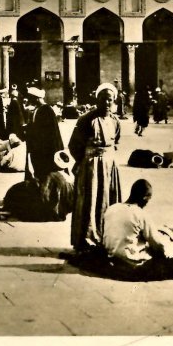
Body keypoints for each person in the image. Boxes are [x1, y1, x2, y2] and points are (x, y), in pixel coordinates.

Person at [101, 179, 173, 281]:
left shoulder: (112, 208)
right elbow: (158, 246)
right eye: (148, 200)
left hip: (112, 257)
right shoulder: (140, 213)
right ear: (145, 198)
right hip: (131, 262)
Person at [69, 83, 122, 252]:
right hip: (91, 167)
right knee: (90, 201)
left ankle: (105, 236)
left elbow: (116, 142)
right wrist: (86, 161)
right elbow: (74, 145)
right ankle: (86, 238)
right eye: (104, 99)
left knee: (108, 200)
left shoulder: (115, 120)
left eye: (110, 100)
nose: (107, 103)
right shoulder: (86, 120)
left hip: (109, 166)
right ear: (97, 99)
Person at [24, 87, 64, 184]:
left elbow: (48, 133)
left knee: (44, 174)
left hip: (44, 150)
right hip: (37, 148)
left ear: (36, 98)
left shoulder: (46, 110)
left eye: (31, 98)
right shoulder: (39, 109)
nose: (29, 100)